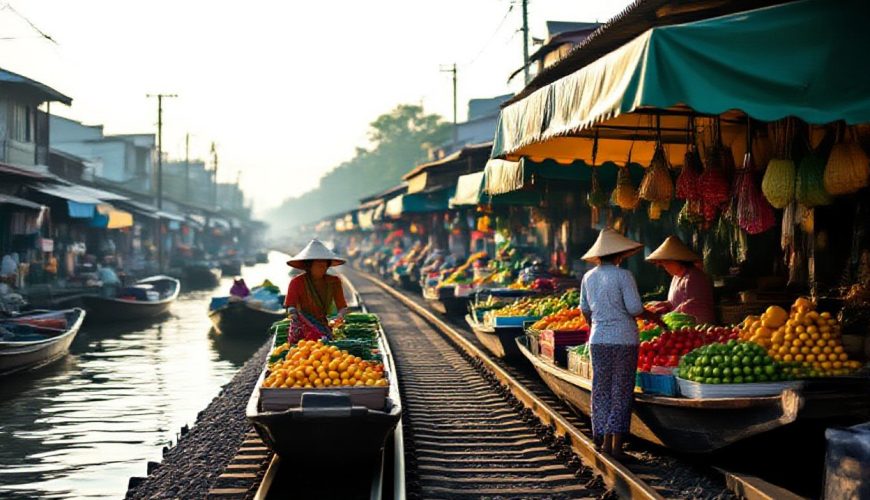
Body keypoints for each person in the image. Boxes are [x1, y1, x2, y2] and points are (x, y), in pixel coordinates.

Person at [578, 228, 646, 459]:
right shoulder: (623, 276)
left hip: (598, 340)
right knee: (621, 390)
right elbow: (635, 309)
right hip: (624, 340)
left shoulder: (588, 277)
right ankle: (616, 447)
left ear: (598, 256)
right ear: (618, 256)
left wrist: (599, 322)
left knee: (601, 390)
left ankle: (604, 442)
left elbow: (585, 310)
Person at [646, 236, 716, 324]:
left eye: (667, 263)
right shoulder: (676, 277)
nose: (665, 267)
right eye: (664, 265)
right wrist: (665, 304)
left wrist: (669, 315)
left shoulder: (694, 276)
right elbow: (676, 301)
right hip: (681, 324)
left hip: (699, 324)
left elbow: (692, 304)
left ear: (678, 261)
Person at [283, 239, 349, 329]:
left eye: (325, 265)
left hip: (324, 325)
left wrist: (340, 316)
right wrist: (293, 314)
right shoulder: (296, 282)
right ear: (309, 266)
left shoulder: (334, 281)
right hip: (303, 325)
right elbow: (290, 305)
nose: (323, 268)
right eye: (319, 265)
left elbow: (342, 307)